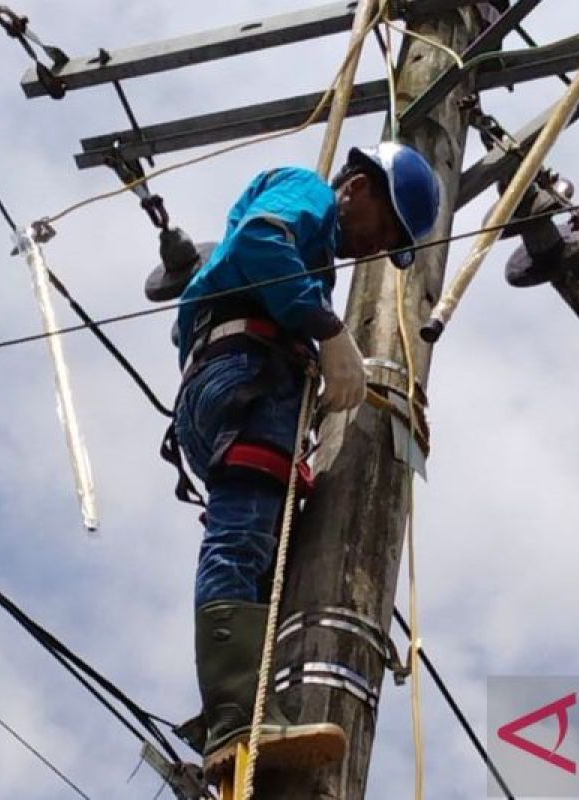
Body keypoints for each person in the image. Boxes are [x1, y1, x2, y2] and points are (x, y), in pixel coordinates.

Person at [169, 142, 442, 779]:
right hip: (246, 375)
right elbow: (259, 244)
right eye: (386, 230)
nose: (376, 249)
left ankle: (250, 705)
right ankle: (236, 715)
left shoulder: (317, 252)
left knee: (264, 544)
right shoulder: (309, 193)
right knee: (243, 534)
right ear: (361, 188)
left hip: (247, 380)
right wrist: (327, 329)